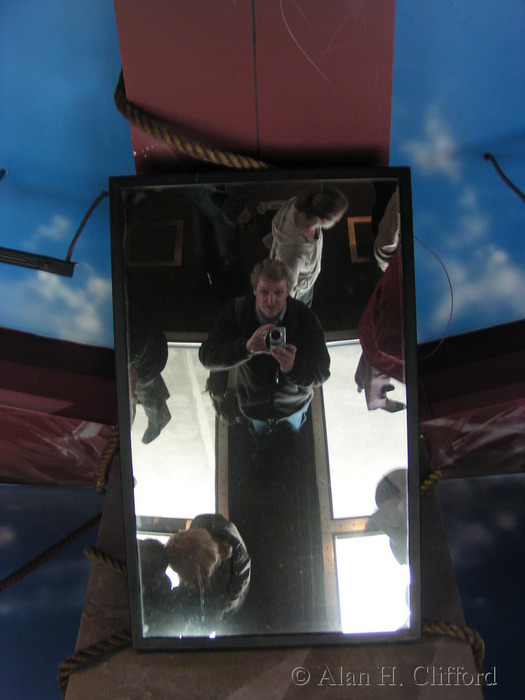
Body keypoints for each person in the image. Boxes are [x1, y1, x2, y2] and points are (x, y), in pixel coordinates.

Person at [199, 258, 331, 448]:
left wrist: (293, 367)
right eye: (264, 292)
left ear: (288, 292)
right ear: (254, 290)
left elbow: (322, 371)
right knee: (261, 441)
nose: (271, 300)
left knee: (289, 443)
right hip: (255, 408)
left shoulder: (304, 318)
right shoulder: (238, 312)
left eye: (278, 292)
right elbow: (207, 356)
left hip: (292, 408)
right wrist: (246, 348)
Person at [264, 187, 348, 306]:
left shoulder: (299, 204)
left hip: (302, 277)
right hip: (300, 291)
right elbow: (286, 294)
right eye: (336, 220)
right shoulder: (295, 254)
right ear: (323, 220)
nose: (336, 222)